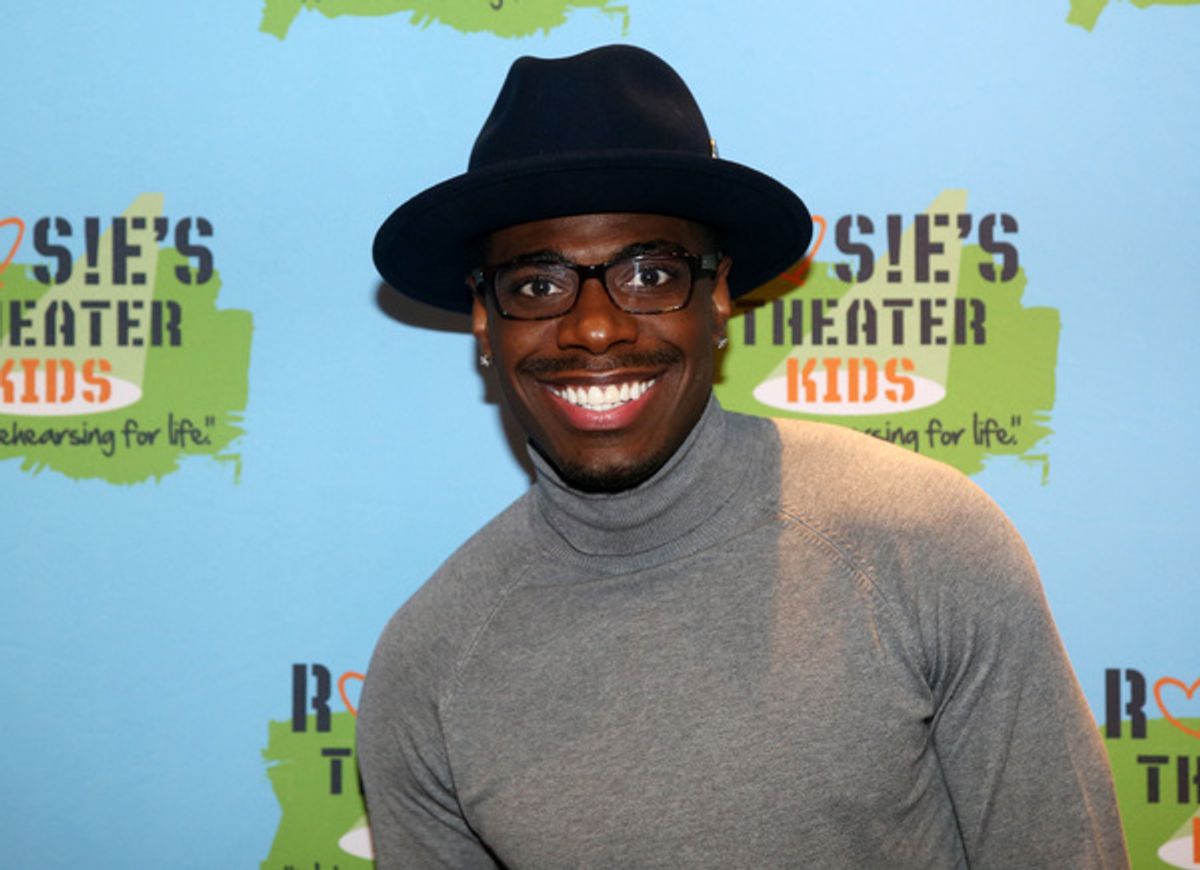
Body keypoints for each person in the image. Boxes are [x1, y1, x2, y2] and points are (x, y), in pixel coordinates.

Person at [358, 44, 1128, 868]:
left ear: (719, 296)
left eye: (649, 273)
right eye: (537, 285)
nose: (594, 327)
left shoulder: (922, 545)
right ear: (485, 319)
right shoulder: (429, 666)